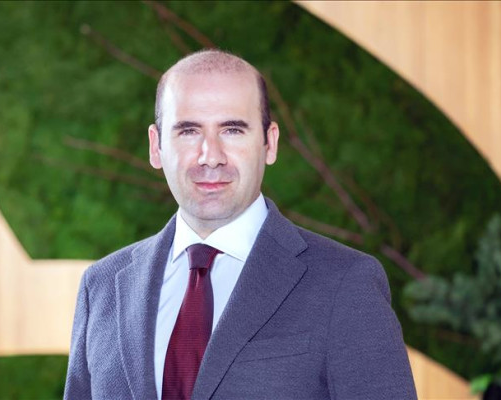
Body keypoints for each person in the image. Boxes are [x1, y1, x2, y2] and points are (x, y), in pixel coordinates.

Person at [64, 49, 417, 400]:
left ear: (269, 143)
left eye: (232, 130)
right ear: (156, 147)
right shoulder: (102, 287)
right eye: (188, 131)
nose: (211, 157)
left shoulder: (345, 283)